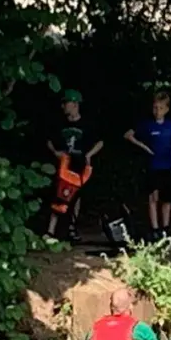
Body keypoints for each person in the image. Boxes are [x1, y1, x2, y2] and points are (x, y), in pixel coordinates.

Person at [124, 91, 171, 242]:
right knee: (153, 197)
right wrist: (144, 147)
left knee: (167, 198)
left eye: (161, 108)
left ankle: (165, 228)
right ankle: (155, 228)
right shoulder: (146, 124)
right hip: (152, 166)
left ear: (167, 109)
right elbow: (128, 135)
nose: (158, 111)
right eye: (155, 108)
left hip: (167, 165)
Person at [45, 89, 102, 240]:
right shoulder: (60, 123)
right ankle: (51, 230)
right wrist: (55, 152)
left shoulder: (87, 124)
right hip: (64, 165)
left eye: (66, 103)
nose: (63, 106)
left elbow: (100, 142)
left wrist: (89, 155)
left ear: (75, 104)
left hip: (79, 164)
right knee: (59, 194)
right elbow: (49, 141)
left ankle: (71, 226)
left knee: (76, 195)